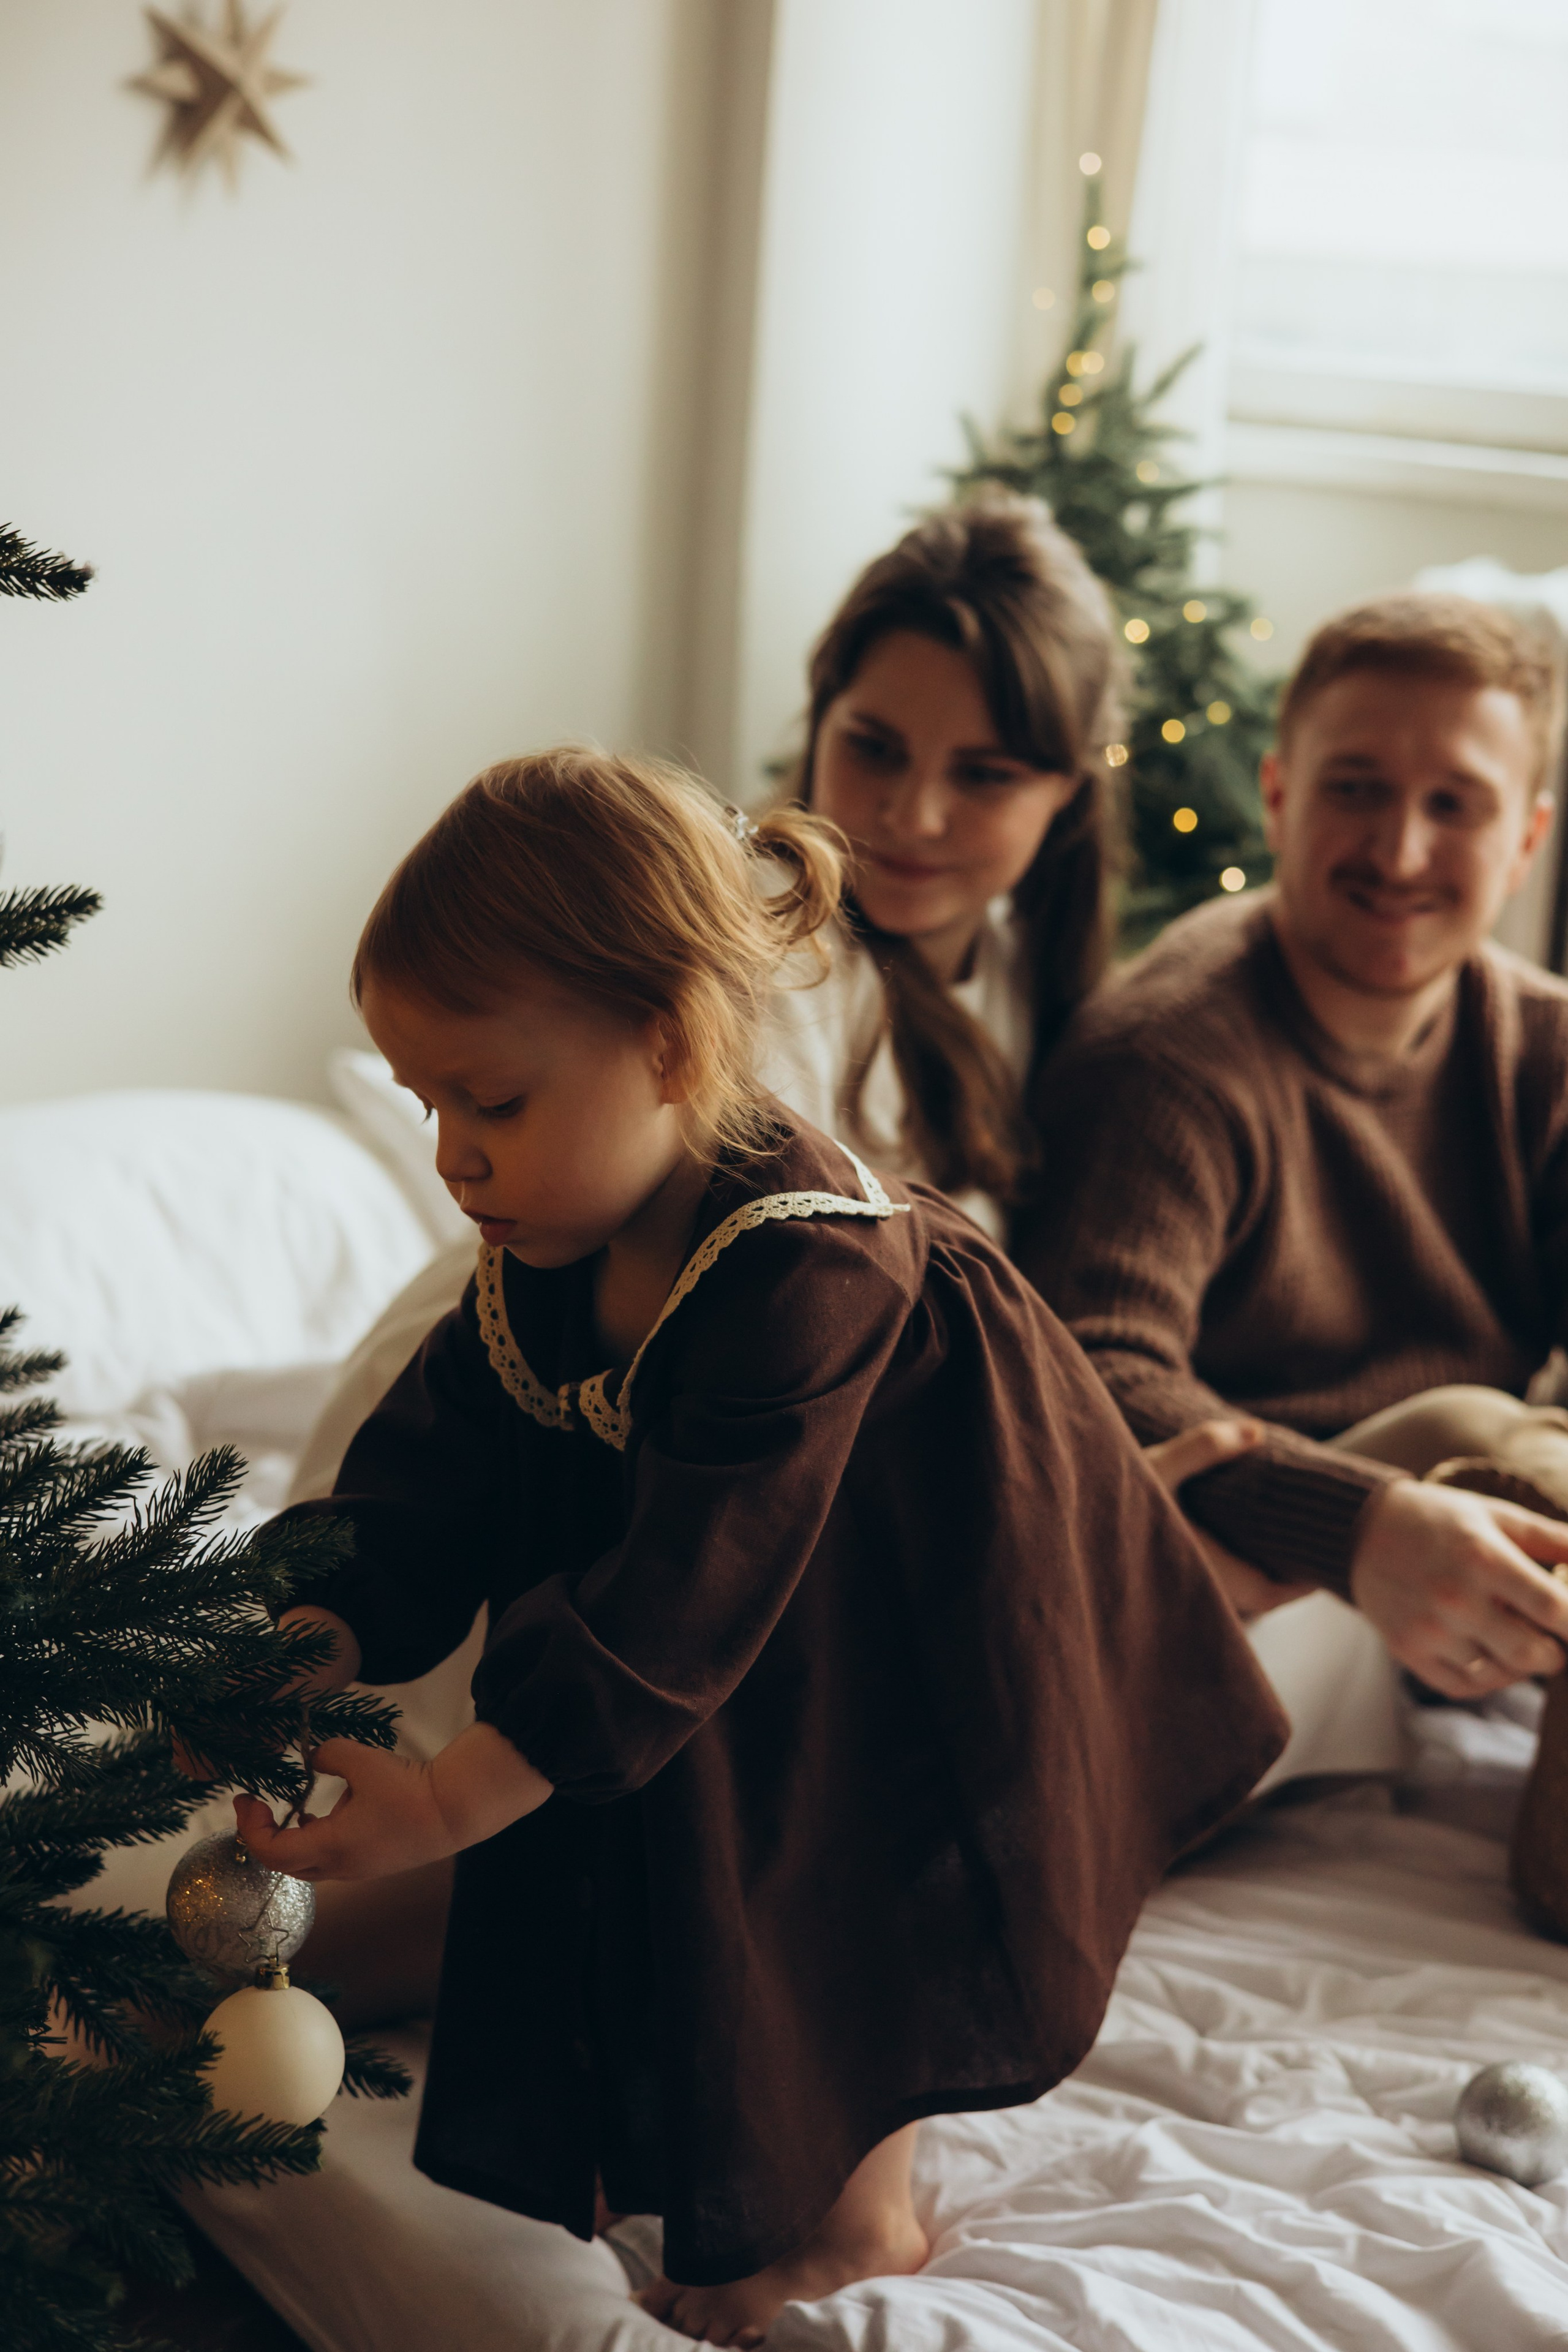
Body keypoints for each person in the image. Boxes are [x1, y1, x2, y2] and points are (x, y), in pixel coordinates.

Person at [235, 749, 1284, 2345]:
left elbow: (678, 1601)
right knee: (660, 1837)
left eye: (491, 1101)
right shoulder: (544, 1237)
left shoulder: (810, 1267)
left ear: (670, 1045)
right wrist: (309, 1639)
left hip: (914, 1604)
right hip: (746, 1606)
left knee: (850, 1868)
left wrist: (450, 1797)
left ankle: (861, 2211)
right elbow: (432, 1473)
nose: (454, 1153)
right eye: (425, 1101)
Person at [1017, 592, 1568, 1926]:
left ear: (1526, 839)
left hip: (1448, 1590)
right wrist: (1356, 1520)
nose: (1399, 846)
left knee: (1519, 1446)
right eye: (1356, 789)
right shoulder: (1172, 1055)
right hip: (1228, 1598)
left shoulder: (1539, 1051)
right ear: (1275, 794)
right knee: (1477, 1427)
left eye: (1457, 804)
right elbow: (1088, 1371)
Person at [760, 490, 1122, 1243]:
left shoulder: (1026, 972)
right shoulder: (761, 946)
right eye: (874, 748)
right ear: (822, 718)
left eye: (984, 775)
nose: (913, 816)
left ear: (1067, 793)